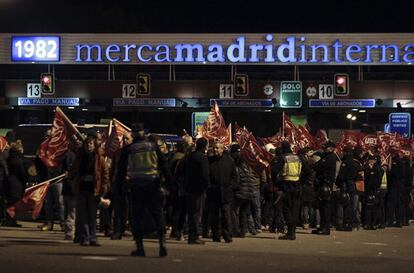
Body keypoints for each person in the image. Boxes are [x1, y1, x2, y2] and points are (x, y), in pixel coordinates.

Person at [117, 123, 170, 257]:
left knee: (137, 217)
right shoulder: (153, 146)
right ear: (144, 133)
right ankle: (162, 242)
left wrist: (119, 186)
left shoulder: (129, 149)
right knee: (157, 214)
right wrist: (169, 183)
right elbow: (163, 164)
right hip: (153, 185)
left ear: (133, 133)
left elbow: (121, 170)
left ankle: (140, 247)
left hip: (136, 186)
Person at [73, 133, 109, 246]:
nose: (89, 146)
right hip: (82, 188)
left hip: (94, 190)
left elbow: (105, 174)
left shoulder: (99, 158)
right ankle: (85, 237)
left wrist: (103, 189)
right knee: (83, 215)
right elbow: (74, 171)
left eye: (91, 144)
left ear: (94, 145)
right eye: (87, 144)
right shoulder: (80, 157)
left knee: (92, 215)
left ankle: (93, 237)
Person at [271, 141, 302, 240]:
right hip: (297, 185)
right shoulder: (298, 158)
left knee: (286, 208)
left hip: (286, 185)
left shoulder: (283, 158)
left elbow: (274, 171)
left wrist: (277, 183)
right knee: (294, 209)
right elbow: (308, 171)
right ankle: (292, 231)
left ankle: (290, 232)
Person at [207, 141, 237, 243]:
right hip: (214, 192)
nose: (215, 150)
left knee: (226, 215)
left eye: (217, 148)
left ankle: (227, 236)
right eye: (214, 148)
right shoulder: (210, 161)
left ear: (222, 149)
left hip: (226, 192)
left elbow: (234, 176)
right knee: (215, 216)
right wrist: (210, 187)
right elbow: (207, 176)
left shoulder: (229, 161)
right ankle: (216, 235)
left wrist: (231, 186)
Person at [185, 137, 210, 245]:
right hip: (199, 189)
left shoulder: (190, 156)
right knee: (197, 213)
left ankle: (191, 235)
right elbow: (205, 174)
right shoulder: (202, 158)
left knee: (191, 212)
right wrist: (206, 185)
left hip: (190, 187)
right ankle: (195, 236)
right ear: (205, 146)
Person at [110, 132, 133, 240]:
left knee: (129, 209)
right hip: (118, 183)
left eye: (127, 138)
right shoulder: (118, 152)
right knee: (118, 209)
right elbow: (113, 168)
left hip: (130, 184)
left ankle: (126, 229)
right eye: (123, 138)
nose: (124, 141)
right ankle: (117, 231)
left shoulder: (134, 153)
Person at [230, 143, 255, 237]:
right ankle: (243, 231)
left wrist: (233, 188)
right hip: (250, 192)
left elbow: (237, 181)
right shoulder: (246, 166)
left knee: (231, 209)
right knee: (243, 211)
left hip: (241, 192)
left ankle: (235, 229)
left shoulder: (236, 167)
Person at [312, 141, 337, 235]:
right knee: (322, 207)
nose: (324, 148)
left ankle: (326, 228)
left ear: (330, 148)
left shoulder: (329, 157)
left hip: (326, 184)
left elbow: (318, 167)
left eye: (326, 147)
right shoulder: (327, 156)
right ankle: (322, 226)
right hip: (323, 184)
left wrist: (317, 161)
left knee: (325, 207)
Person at [2, 140, 27, 227]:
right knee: (14, 203)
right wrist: (25, 181)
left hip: (8, 182)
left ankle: (8, 220)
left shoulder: (8, 158)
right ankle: (11, 221)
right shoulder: (18, 160)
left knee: (9, 202)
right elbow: (22, 174)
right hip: (17, 184)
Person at [298, 147, 316, 230]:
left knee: (305, 206)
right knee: (311, 205)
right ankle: (312, 222)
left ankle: (305, 222)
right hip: (311, 186)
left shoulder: (306, 168)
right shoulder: (313, 170)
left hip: (305, 186)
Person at [363, 155, 382, 230]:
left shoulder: (376, 168)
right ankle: (369, 223)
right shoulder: (368, 168)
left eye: (372, 160)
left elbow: (375, 180)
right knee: (369, 208)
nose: (370, 162)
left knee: (372, 208)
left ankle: (373, 224)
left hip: (373, 190)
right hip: (369, 190)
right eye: (369, 160)